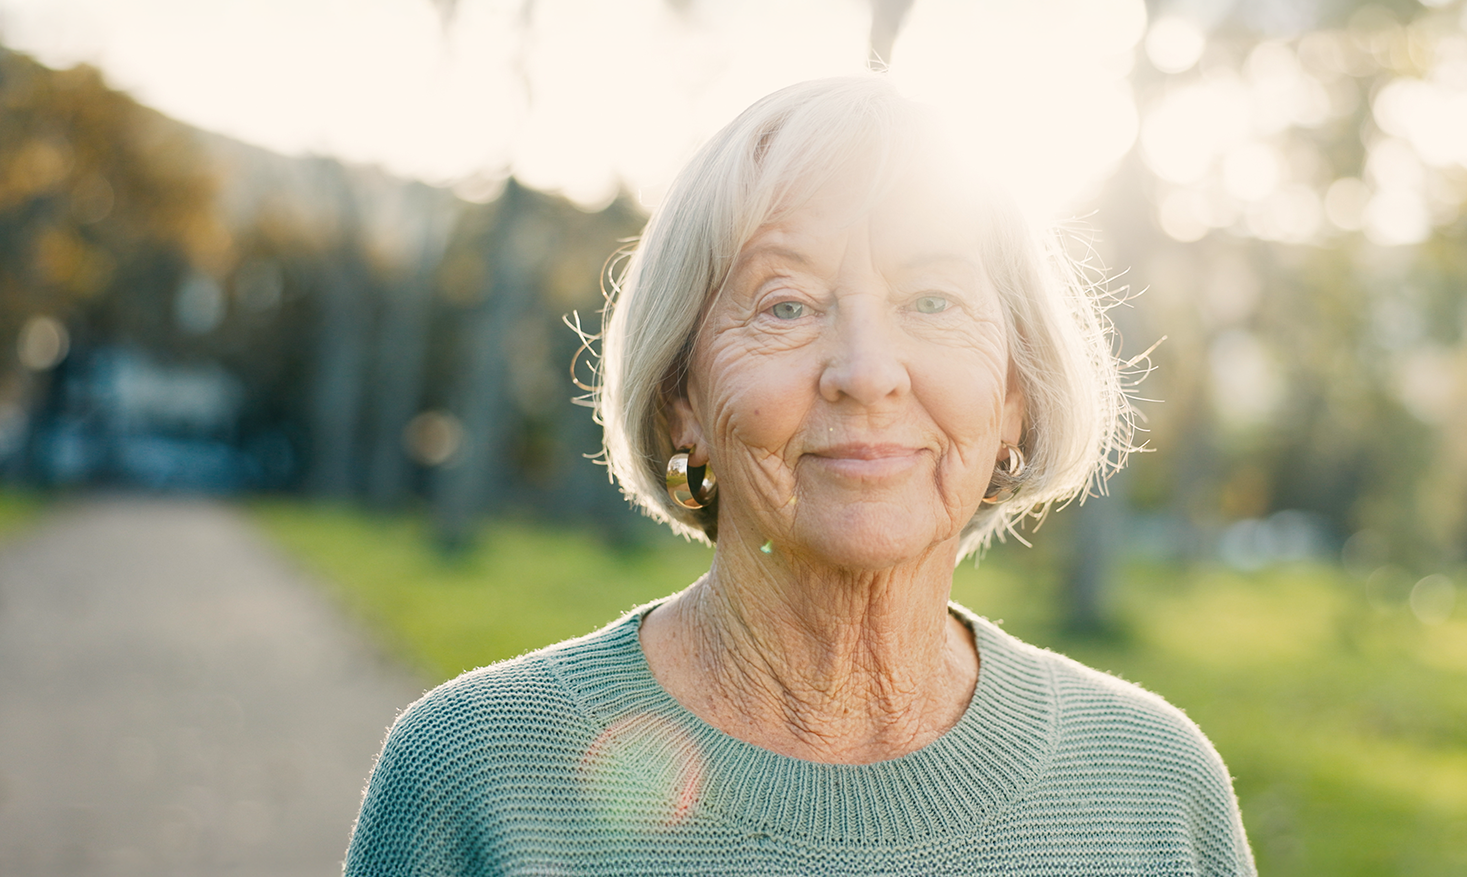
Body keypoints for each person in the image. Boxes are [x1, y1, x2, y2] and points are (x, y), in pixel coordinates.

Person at [344, 77, 1256, 875]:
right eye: (786, 305)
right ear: (681, 402)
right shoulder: (475, 775)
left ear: (1014, 395)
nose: (866, 371)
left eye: (932, 301)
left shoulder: (1155, 786)